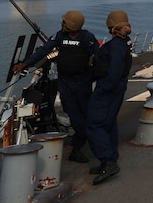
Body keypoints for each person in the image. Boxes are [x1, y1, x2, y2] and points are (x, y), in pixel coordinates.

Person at [12, 10, 97, 163]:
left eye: (65, 22)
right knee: (75, 116)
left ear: (72, 25)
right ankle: (78, 145)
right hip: (65, 83)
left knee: (85, 115)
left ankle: (80, 143)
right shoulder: (59, 36)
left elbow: (98, 58)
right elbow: (44, 51)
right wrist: (25, 63)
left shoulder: (87, 38)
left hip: (82, 83)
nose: (62, 24)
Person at [87, 10, 133, 185]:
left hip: (108, 89)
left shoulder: (115, 46)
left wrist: (103, 89)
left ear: (111, 25)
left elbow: (113, 71)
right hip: (117, 87)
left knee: (94, 124)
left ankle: (108, 161)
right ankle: (110, 158)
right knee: (109, 123)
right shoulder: (123, 43)